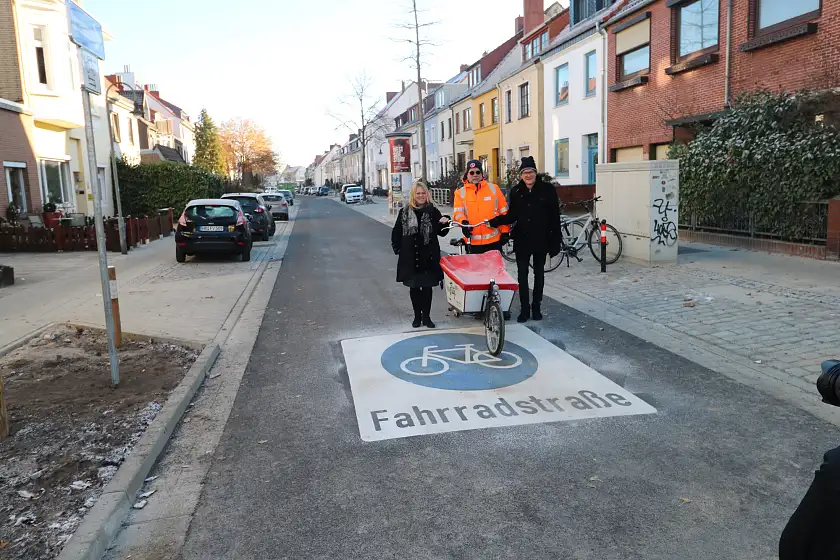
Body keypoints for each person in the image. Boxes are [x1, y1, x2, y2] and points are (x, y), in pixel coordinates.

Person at [489, 156, 561, 323]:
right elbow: (512, 215)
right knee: (522, 275)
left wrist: (555, 241)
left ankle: (536, 307)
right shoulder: (516, 191)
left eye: (531, 172)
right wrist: (497, 221)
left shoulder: (547, 190)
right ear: (521, 175)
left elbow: (554, 218)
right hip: (522, 240)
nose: (528, 175)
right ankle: (524, 309)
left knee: (539, 274)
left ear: (536, 173)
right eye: (525, 172)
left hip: (541, 239)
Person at [391, 181, 450, 328]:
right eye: (418, 193)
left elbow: (441, 233)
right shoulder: (404, 212)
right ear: (413, 195)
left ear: (427, 194)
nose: (421, 196)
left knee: (427, 288)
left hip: (428, 257)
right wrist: (398, 249)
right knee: (415, 288)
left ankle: (427, 317)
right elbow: (396, 233)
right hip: (410, 257)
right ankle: (417, 317)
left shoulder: (433, 211)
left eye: (423, 193)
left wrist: (444, 222)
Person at [452, 160, 510, 255]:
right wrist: (463, 222)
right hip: (472, 242)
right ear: (467, 174)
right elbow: (458, 213)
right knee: (475, 270)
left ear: (482, 174)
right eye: (472, 172)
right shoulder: (460, 193)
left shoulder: (494, 189)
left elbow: (504, 212)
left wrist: (505, 231)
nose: (475, 175)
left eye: (478, 172)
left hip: (494, 241)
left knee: (494, 270)